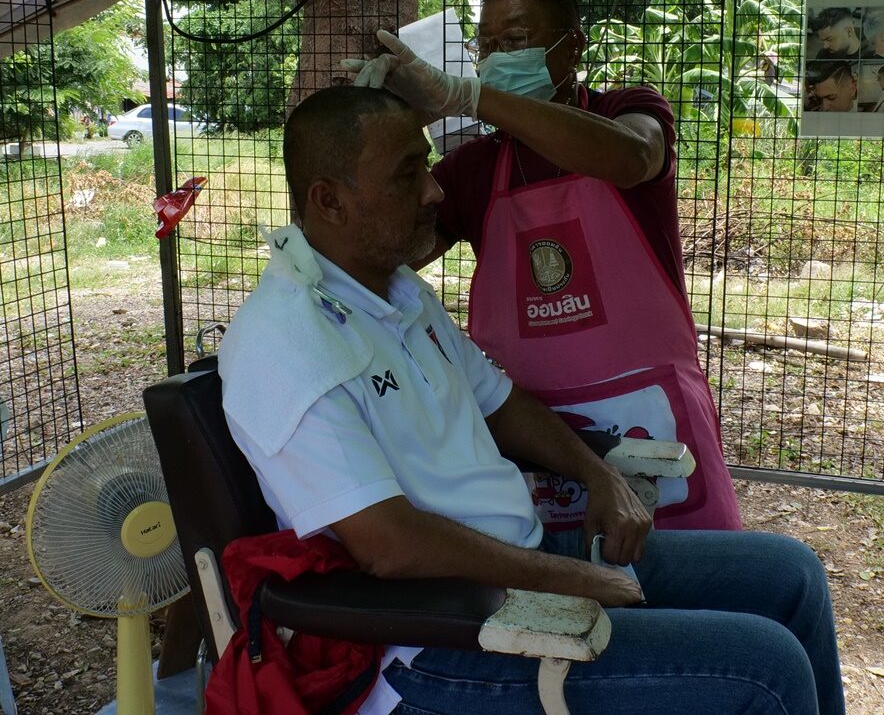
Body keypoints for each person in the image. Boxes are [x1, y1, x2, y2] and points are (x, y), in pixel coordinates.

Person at [218, 85, 846, 715]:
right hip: (435, 636)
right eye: (409, 172)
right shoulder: (287, 343)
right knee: (767, 668)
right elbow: (390, 546)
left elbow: (503, 404)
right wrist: (574, 580)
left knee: (793, 575)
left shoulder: (399, 295)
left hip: (522, 562)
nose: (435, 191)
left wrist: (596, 475)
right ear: (329, 200)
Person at [344, 0, 741, 532]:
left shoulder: (627, 109)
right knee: (569, 587)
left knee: (702, 578)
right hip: (540, 431)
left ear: (572, 45)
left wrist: (474, 97)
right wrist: (385, 134)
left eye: (515, 40)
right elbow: (377, 255)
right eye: (487, 46)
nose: (497, 56)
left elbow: (632, 157)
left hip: (652, 416)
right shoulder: (476, 167)